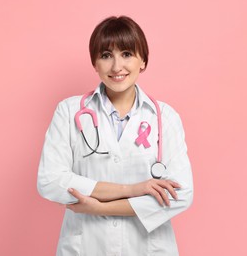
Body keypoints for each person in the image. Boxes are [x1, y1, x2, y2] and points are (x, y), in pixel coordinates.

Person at [37, 15, 193, 256]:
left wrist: (96, 207)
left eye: (127, 54)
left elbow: (181, 195)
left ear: (143, 60)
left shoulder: (165, 117)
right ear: (95, 63)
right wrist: (131, 190)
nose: (117, 66)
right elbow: (50, 181)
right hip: (87, 247)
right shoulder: (69, 112)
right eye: (106, 55)